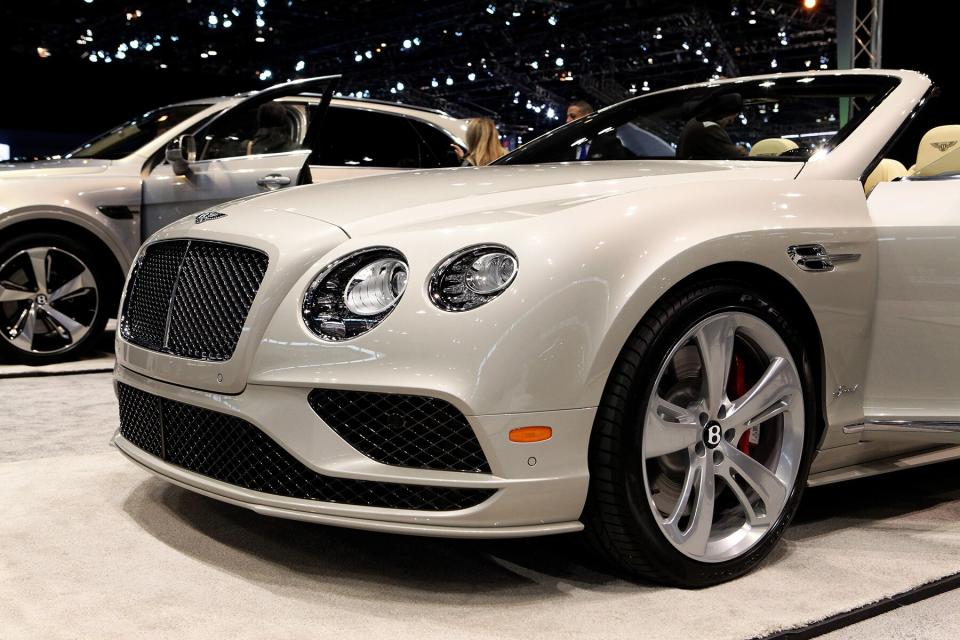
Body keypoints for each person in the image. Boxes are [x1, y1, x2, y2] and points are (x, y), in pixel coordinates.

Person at [676, 93, 746, 160]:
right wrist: (739, 151)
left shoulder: (697, 121)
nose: (731, 122)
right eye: (730, 119)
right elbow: (736, 157)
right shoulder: (710, 128)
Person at [564, 99, 628, 161]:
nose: (567, 120)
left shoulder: (610, 143)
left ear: (587, 118)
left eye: (573, 116)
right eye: (567, 116)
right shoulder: (564, 145)